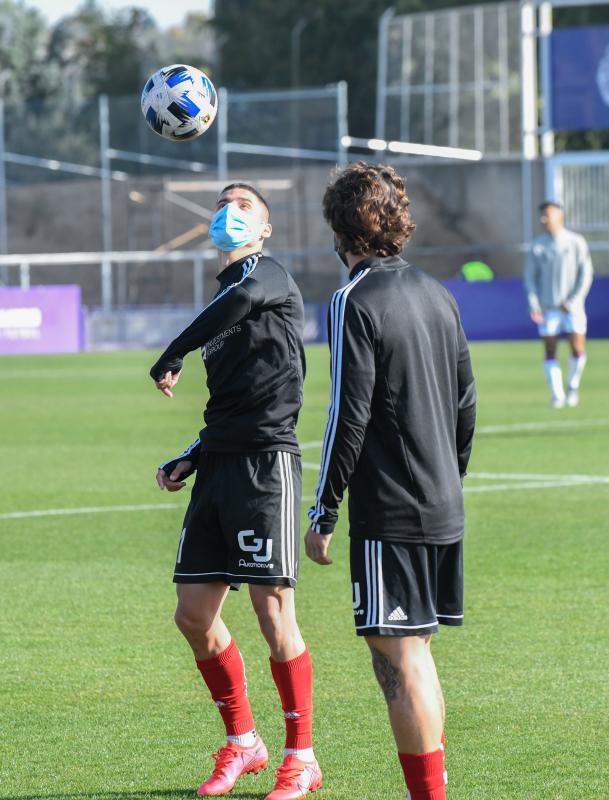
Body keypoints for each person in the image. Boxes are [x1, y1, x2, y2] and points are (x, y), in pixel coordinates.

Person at [303, 162, 476, 800]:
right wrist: (447, 480)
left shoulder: (353, 300)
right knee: (416, 652)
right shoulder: (439, 293)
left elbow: (348, 414)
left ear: (338, 227)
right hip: (441, 502)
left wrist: (323, 512)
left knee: (396, 659)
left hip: (392, 511)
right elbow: (466, 402)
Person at [150, 183, 321, 799]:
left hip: (264, 467)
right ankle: (245, 741)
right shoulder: (221, 300)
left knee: (274, 615)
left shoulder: (264, 274)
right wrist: (190, 458)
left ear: (266, 229)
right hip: (221, 464)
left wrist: (174, 350)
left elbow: (243, 298)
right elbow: (231, 405)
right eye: (224, 203)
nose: (231, 210)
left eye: (245, 204)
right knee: (194, 616)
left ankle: (302, 757)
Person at [524, 201, 594, 408]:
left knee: (577, 347)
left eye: (547, 215)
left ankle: (573, 386)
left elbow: (586, 273)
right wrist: (534, 304)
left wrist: (573, 300)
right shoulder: (537, 246)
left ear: (559, 216)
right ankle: (557, 394)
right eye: (541, 216)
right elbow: (530, 279)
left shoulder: (575, 242)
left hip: (573, 307)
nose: (543, 220)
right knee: (550, 349)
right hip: (548, 308)